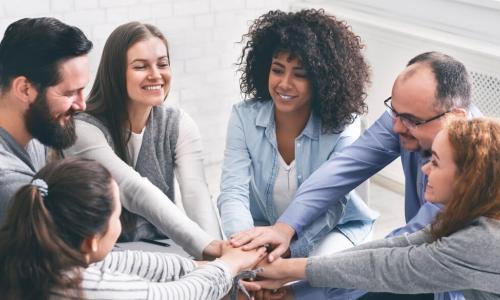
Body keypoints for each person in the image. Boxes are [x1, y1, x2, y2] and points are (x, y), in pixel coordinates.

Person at [231, 51, 482, 300]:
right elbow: (343, 168)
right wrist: (285, 228)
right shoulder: (410, 116)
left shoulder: (474, 174)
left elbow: (399, 252)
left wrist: (297, 289)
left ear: (455, 118)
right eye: (394, 112)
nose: (396, 127)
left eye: (410, 121)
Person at [251, 117, 500, 300]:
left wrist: (288, 270)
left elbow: (392, 267)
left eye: (435, 162)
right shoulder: (470, 214)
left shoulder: (483, 240)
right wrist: (291, 278)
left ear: (468, 179)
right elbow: (398, 246)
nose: (425, 169)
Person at [218, 9, 377, 258]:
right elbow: (233, 191)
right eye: (278, 70)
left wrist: (289, 250)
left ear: (322, 80)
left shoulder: (344, 126)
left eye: (300, 74)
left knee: (310, 279)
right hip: (265, 230)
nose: (284, 83)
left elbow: (332, 203)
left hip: (334, 230)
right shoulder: (244, 117)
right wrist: (246, 246)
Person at [0, 158, 267, 299]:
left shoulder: (44, 261)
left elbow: (126, 262)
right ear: (92, 241)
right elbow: (176, 296)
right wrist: (227, 267)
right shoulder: (84, 289)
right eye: (117, 216)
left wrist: (213, 264)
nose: (120, 223)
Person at [63, 22, 223, 259]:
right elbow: (133, 189)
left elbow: (196, 193)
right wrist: (209, 249)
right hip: (103, 256)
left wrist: (219, 255)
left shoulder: (177, 123)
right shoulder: (82, 128)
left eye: (163, 64)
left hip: (163, 249)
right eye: (141, 66)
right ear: (116, 73)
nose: (156, 75)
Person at [0, 17, 92, 221]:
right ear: (25, 89)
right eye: (69, 93)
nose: (81, 104)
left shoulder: (35, 129)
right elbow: (78, 248)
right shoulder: (7, 183)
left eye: (82, 90)